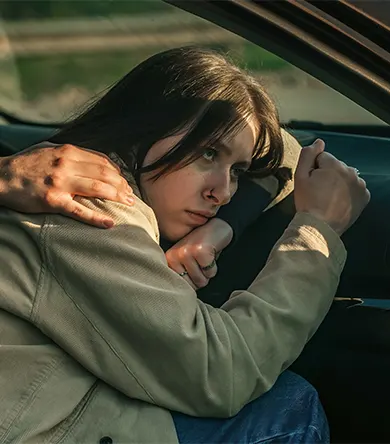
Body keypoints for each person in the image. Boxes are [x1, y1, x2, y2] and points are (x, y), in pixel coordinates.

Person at [0, 46, 369, 443]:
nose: (223, 191)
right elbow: (222, 373)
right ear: (143, 124)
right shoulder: (90, 207)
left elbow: (278, 148)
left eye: (237, 172)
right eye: (208, 153)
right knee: (289, 411)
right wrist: (317, 230)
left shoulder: (69, 179)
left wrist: (224, 226)